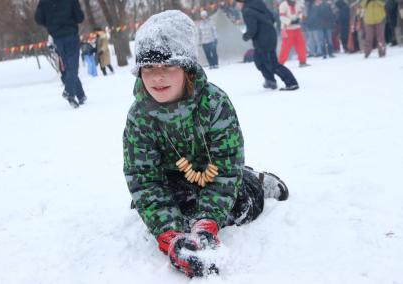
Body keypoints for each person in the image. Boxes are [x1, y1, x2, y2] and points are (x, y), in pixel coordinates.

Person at [123, 10, 289, 278]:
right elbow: (144, 179)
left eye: (168, 66)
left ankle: (255, 181)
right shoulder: (139, 117)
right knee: (162, 212)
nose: (157, 77)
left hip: (215, 173)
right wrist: (170, 235)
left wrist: (208, 224)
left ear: (187, 68)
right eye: (149, 68)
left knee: (240, 205)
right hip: (173, 181)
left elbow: (224, 168)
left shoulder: (215, 104)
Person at [236, 0, 299, 91]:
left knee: (272, 64)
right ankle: (270, 80)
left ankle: (291, 82)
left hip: (263, 40)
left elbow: (252, 29)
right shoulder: (259, 4)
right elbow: (272, 18)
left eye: (237, 3)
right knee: (259, 60)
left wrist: (246, 36)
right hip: (270, 36)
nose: (237, 5)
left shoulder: (247, 11)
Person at [35, 0, 87, 108]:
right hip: (71, 34)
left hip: (57, 37)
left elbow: (38, 19)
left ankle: (81, 95)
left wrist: (51, 23)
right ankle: (69, 91)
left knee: (69, 67)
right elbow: (80, 17)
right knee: (72, 65)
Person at [278, 0, 310, 67]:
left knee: (301, 45)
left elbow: (300, 12)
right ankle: (280, 64)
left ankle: (302, 61)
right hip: (287, 29)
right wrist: (290, 22)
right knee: (285, 47)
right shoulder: (283, 5)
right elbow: (282, 17)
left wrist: (299, 18)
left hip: (297, 28)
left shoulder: (297, 3)